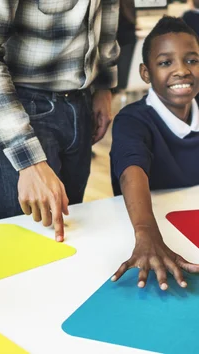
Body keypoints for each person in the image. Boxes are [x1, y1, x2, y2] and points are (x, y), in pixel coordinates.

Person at [0, 0, 120, 241]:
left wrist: (104, 86)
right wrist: (29, 162)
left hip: (82, 101)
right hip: (21, 108)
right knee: (28, 242)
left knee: (71, 234)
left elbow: (108, 12)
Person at [110, 16, 199, 289]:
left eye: (192, 60)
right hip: (147, 230)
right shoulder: (132, 120)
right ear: (145, 73)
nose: (182, 70)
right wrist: (147, 233)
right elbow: (131, 170)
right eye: (165, 62)